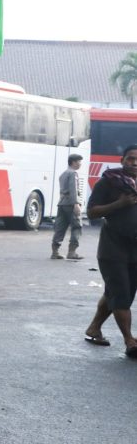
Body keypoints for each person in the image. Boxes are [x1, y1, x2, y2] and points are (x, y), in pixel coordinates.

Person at [83, 145, 137, 355]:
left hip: (135, 250)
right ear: (122, 160)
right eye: (130, 158)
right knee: (121, 294)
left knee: (117, 292)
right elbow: (92, 212)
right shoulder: (109, 182)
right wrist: (120, 203)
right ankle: (129, 340)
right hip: (112, 249)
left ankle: (94, 327)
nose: (134, 163)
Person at [51, 154, 84, 260]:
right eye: (79, 161)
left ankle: (55, 252)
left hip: (62, 203)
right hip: (71, 203)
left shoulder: (63, 173)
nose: (80, 164)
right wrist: (76, 204)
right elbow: (73, 189)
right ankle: (72, 252)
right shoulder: (73, 174)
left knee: (60, 227)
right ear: (73, 162)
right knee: (76, 227)